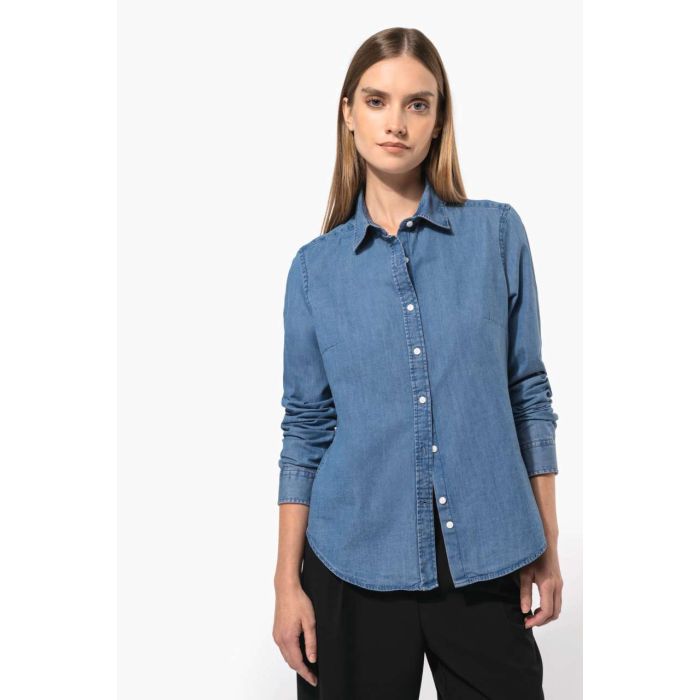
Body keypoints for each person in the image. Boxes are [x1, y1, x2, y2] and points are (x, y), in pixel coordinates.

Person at [272, 26, 564, 700]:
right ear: (348, 115)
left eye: (418, 104)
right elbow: (305, 428)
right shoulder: (315, 271)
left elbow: (528, 393)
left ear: (439, 121)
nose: (396, 123)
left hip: (485, 558)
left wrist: (546, 543)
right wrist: (287, 582)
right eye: (377, 101)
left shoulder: (496, 235)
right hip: (352, 561)